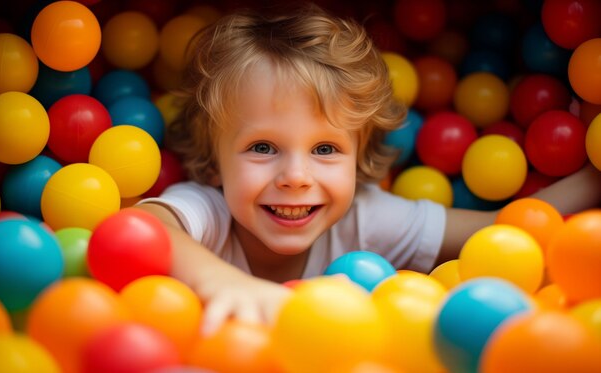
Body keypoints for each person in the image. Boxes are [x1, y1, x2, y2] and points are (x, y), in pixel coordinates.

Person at [136, 3, 601, 335]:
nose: (295, 176)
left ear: (359, 159)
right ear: (215, 162)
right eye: (262, 147)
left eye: (324, 149)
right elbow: (144, 227)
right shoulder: (210, 212)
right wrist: (222, 282)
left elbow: (508, 231)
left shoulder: (365, 216)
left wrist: (593, 175)